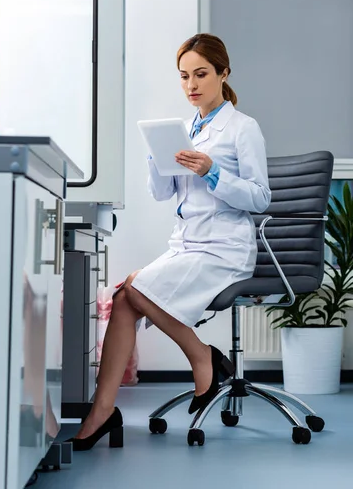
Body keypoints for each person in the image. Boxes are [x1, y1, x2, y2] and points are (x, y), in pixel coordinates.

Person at [68, 33, 271, 451]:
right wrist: (156, 159)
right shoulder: (186, 129)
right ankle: (103, 411)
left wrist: (213, 172)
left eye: (201, 74)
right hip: (187, 244)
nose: (192, 85)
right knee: (125, 297)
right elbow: (164, 195)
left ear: (223, 73)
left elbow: (260, 197)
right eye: (184, 77)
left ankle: (202, 359)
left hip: (225, 249)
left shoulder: (242, 128)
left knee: (132, 289)